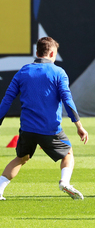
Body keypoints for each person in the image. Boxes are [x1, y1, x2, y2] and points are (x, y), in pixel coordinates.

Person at [0, 37, 88, 201]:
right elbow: (67, 101)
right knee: (68, 152)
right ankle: (65, 182)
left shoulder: (23, 72)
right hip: (50, 129)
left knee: (21, 158)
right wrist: (79, 126)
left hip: (27, 129)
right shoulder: (58, 72)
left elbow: (6, 100)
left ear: (36, 52)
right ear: (53, 53)